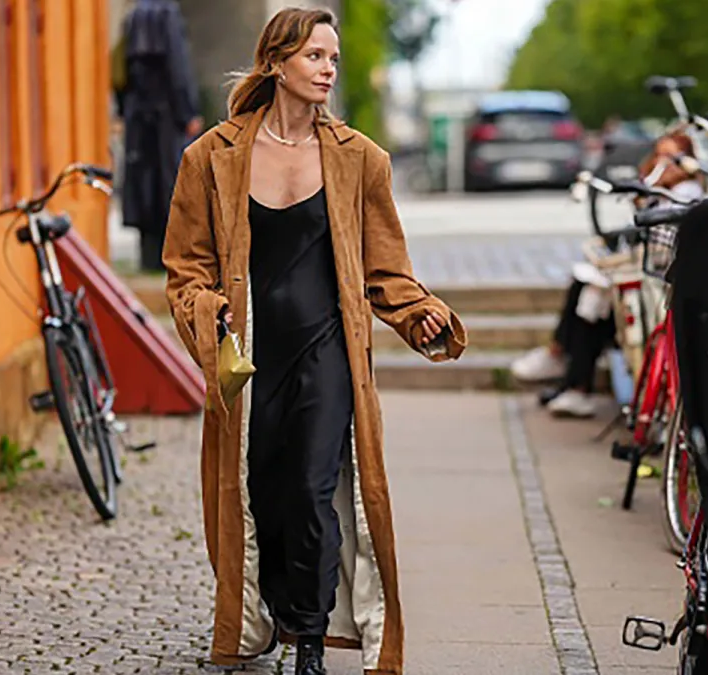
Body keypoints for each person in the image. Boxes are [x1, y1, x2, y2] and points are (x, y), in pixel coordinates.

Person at [161, 8, 467, 675]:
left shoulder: (361, 160)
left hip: (329, 352)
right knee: (263, 495)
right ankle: (272, 612)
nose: (328, 69)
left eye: (333, 58)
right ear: (276, 63)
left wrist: (420, 314)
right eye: (315, 56)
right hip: (249, 359)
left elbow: (385, 269)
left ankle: (309, 637)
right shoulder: (211, 157)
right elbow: (185, 267)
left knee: (311, 489)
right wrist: (206, 310)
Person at [512, 130, 705, 418]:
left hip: (658, 286)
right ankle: (569, 375)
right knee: (589, 289)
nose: (663, 164)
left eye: (673, 157)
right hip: (649, 281)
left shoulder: (685, 195)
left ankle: (567, 369)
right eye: (659, 156)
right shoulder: (658, 194)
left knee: (592, 295)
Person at [114, 0, 203, 272]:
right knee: (170, 183)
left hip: (138, 116)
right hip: (166, 117)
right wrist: (188, 112)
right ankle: (170, 256)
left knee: (143, 185)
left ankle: (149, 257)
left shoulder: (133, 17)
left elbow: (119, 69)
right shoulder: (168, 15)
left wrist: (123, 108)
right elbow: (178, 68)